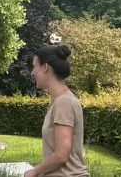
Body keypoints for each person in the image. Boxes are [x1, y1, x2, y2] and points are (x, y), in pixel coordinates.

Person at [24, 45, 90, 177]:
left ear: (45, 67)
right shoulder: (60, 100)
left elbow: (61, 155)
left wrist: (34, 171)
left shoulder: (63, 102)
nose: (32, 72)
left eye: (34, 66)